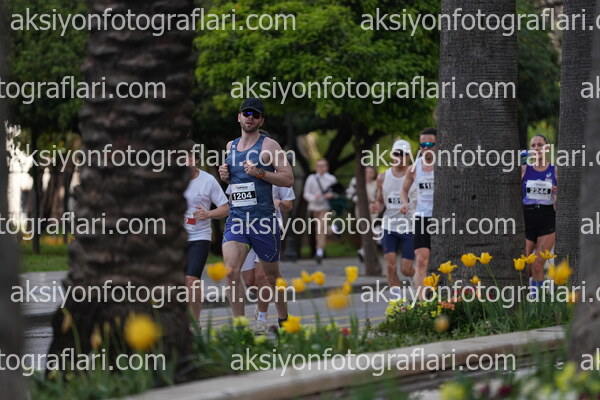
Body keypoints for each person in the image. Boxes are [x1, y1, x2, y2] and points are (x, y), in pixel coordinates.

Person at [218, 98, 294, 334]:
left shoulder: (269, 146)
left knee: (272, 277)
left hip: (262, 221)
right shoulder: (230, 146)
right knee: (230, 272)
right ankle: (241, 329)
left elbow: (288, 178)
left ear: (261, 121)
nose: (250, 117)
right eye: (246, 113)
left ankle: (283, 319)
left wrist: (260, 173)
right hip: (237, 219)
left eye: (256, 114)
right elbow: (236, 182)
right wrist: (225, 176)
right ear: (239, 117)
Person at [183, 142, 229, 323]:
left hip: (198, 236)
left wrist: (208, 214)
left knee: (192, 280)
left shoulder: (208, 180)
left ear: (196, 160)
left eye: (187, 157)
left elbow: (225, 208)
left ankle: (195, 324)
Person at [237, 185, 295, 326]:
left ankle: (262, 318)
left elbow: (289, 204)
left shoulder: (277, 174)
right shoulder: (241, 172)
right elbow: (233, 197)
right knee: (249, 281)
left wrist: (278, 202)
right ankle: (263, 302)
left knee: (262, 276)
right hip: (245, 227)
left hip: (268, 228)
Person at [371, 140, 417, 295]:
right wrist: (376, 207)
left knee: (406, 269)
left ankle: (421, 276)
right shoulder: (383, 177)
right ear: (392, 155)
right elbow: (380, 202)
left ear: (409, 156)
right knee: (390, 266)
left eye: (403, 154)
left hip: (410, 227)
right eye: (397, 153)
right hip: (389, 226)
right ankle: (396, 300)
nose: (400, 157)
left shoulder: (416, 175)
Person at [400, 127, 436, 298]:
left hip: (443, 217)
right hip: (422, 216)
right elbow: (404, 189)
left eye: (430, 145)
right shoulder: (414, 167)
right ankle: (422, 301)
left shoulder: (445, 166)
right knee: (421, 259)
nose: (425, 149)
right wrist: (404, 203)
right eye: (422, 145)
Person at [521, 134, 557, 293]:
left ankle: (538, 303)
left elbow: (560, 202)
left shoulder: (555, 170)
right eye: (533, 146)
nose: (536, 148)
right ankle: (524, 300)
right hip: (527, 218)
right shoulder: (525, 169)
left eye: (540, 145)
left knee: (537, 265)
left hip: (547, 219)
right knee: (523, 265)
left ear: (547, 148)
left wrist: (556, 194)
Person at [303, 159, 337, 264]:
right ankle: (333, 228)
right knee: (320, 229)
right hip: (314, 207)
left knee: (320, 228)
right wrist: (314, 197)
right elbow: (306, 194)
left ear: (327, 167)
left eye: (323, 166)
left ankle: (319, 251)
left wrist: (331, 195)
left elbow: (337, 193)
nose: (320, 168)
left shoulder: (331, 179)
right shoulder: (311, 178)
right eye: (318, 166)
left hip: (326, 207)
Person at [347, 166, 378, 262]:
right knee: (365, 229)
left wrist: (372, 200)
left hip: (373, 209)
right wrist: (362, 199)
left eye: (371, 172)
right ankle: (365, 250)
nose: (368, 174)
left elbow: (379, 197)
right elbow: (350, 195)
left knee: (373, 230)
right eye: (366, 172)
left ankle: (364, 250)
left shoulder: (376, 183)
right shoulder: (356, 182)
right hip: (361, 209)